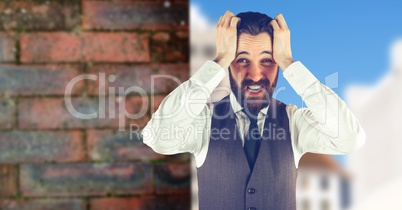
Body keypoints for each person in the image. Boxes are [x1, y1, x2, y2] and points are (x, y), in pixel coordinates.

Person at [142, 10, 365, 210]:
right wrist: (218, 60)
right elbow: (159, 138)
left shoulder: (294, 121)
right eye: (242, 60)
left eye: (267, 60)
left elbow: (350, 138)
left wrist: (289, 62)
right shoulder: (205, 120)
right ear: (229, 63)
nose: (256, 75)